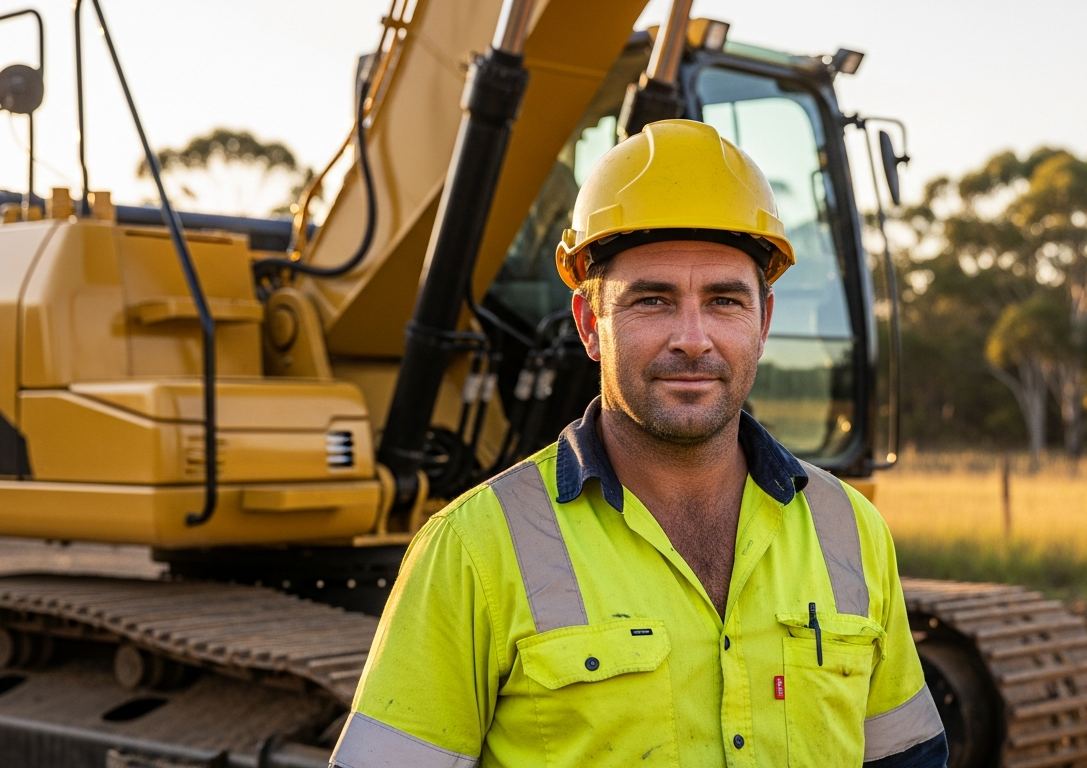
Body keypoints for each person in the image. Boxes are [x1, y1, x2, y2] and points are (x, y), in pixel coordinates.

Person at [329, 119, 947, 768]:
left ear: (763, 323)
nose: (692, 338)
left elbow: (907, 758)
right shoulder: (474, 551)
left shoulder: (852, 531)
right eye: (652, 301)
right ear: (591, 325)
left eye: (724, 301)